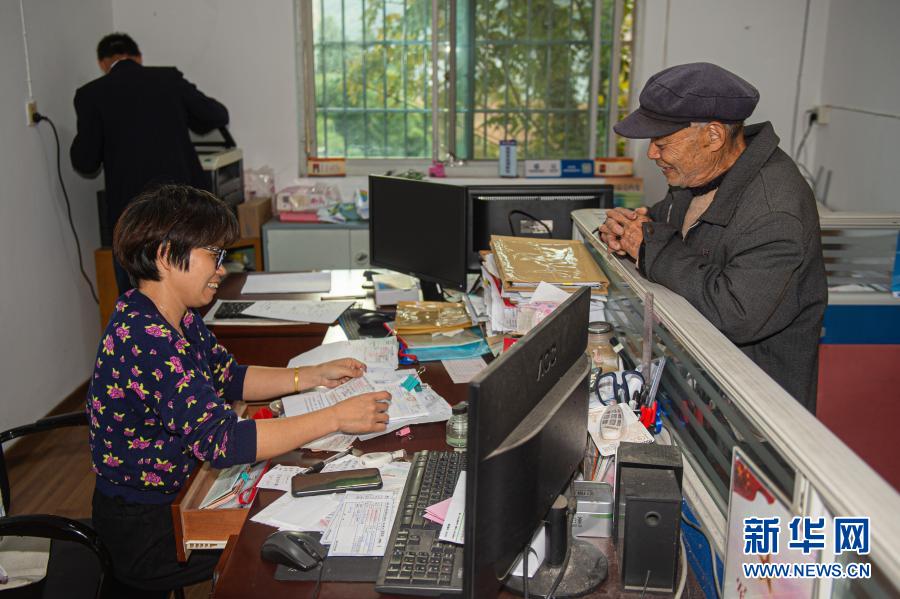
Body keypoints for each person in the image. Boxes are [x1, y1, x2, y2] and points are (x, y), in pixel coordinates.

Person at [86, 184, 391, 593]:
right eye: (213, 255)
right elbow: (225, 443)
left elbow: (229, 376)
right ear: (165, 255)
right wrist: (335, 417)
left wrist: (311, 375)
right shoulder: (147, 339)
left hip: (182, 490)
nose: (222, 269)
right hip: (146, 526)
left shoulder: (174, 315)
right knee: (268, 544)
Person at [599, 62, 826, 412]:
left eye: (661, 142)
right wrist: (628, 227)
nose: (652, 153)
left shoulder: (775, 211)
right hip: (699, 389)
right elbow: (663, 223)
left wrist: (648, 247)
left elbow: (736, 313)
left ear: (714, 136)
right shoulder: (697, 174)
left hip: (755, 413)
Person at [70, 32, 229, 294]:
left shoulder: (91, 94)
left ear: (102, 63)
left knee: (138, 295)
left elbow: (85, 162)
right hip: (183, 209)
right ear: (139, 57)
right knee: (194, 289)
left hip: (133, 216)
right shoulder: (168, 79)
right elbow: (217, 115)